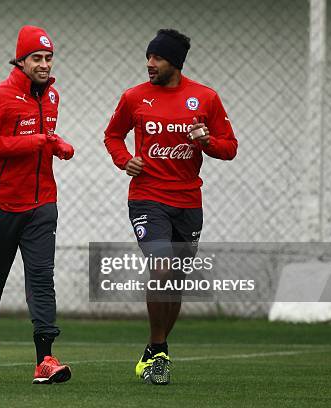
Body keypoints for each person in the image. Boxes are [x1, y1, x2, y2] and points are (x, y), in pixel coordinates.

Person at [104, 28, 237, 385]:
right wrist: (124, 159)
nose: (150, 64)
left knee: (176, 280)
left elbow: (229, 148)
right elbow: (112, 134)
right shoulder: (134, 97)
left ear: (174, 63)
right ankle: (159, 349)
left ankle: (154, 350)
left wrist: (206, 141)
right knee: (161, 268)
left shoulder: (205, 98)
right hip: (147, 197)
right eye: (148, 57)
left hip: (189, 201)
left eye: (157, 58)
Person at [0, 25, 74, 384]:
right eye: (37, 58)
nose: (44, 64)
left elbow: (42, 138)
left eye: (48, 58)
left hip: (42, 204)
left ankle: (45, 359)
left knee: (42, 278)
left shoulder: (53, 96)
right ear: (21, 60)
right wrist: (33, 143)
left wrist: (55, 144)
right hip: (1, 205)